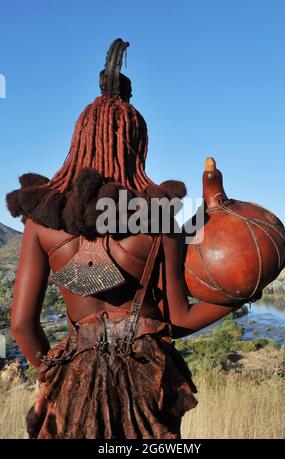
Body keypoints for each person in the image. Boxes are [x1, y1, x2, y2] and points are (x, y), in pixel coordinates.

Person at [6, 39, 252, 439]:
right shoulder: (157, 217)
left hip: (72, 387)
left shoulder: (41, 220)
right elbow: (179, 319)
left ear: (79, 139)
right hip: (146, 383)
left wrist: (51, 371)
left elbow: (21, 324)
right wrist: (239, 295)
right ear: (138, 146)